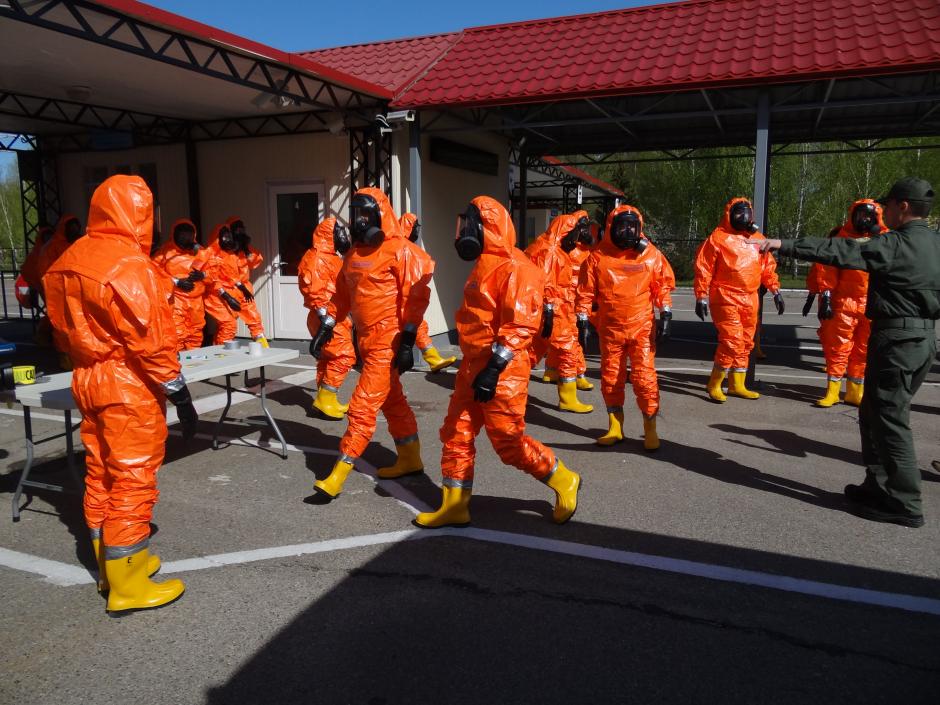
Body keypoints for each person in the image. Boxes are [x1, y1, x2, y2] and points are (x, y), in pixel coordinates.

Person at [43, 175, 198, 612]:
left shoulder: (67, 259)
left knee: (101, 473)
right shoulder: (131, 265)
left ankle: (108, 567)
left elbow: (59, 329)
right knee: (132, 478)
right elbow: (151, 342)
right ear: (140, 213)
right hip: (128, 383)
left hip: (86, 376)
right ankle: (128, 584)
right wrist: (179, 393)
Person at [754, 177, 939, 528]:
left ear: (902, 206)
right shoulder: (934, 242)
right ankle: (877, 485)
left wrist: (782, 244)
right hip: (922, 339)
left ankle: (905, 501)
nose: (882, 211)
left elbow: (841, 251)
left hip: (898, 339)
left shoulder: (897, 244)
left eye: (887, 205)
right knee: (872, 412)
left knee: (890, 419)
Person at [414, 196, 581, 528]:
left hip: (504, 369)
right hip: (474, 364)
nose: (464, 232)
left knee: (507, 442)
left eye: (469, 225)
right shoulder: (486, 264)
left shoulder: (517, 267)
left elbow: (520, 325)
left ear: (486, 227)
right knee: (456, 432)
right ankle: (455, 504)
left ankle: (562, 477)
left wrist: (494, 368)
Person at [309, 188, 433, 496]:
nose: (359, 221)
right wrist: (326, 327)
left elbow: (415, 298)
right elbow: (341, 297)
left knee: (362, 406)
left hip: (387, 342)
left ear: (379, 214)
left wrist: (408, 342)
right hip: (365, 339)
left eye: (365, 214)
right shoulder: (353, 256)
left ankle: (337, 475)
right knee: (393, 401)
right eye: (355, 215)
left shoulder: (400, 251)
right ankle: (410, 458)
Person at [576, 205, 674, 450]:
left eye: (632, 227)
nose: (628, 232)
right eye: (622, 227)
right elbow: (585, 292)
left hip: (642, 327)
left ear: (639, 228)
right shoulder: (598, 257)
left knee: (644, 378)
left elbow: (661, 286)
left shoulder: (650, 255)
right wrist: (582, 319)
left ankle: (650, 428)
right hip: (611, 329)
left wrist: (666, 313)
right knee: (611, 377)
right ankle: (615, 426)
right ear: (612, 228)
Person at [694, 197, 784, 402]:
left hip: (750, 297)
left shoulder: (757, 239)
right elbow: (704, 268)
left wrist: (776, 291)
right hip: (725, 296)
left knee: (745, 342)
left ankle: (737, 384)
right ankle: (714, 383)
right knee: (732, 341)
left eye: (746, 213)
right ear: (729, 215)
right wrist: (701, 296)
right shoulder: (718, 238)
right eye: (738, 213)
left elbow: (767, 267)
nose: (743, 217)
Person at [811, 199, 888, 408]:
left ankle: (855, 392)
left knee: (863, 350)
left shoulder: (885, 240)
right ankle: (833, 392)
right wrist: (826, 297)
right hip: (844, 302)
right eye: (860, 215)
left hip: (871, 304)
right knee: (838, 348)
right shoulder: (841, 239)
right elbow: (827, 269)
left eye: (869, 216)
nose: (864, 220)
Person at [526, 212, 593, 413]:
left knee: (531, 350)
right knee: (568, 351)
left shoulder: (548, 248)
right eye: (574, 233)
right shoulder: (551, 252)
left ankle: (508, 386)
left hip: (549, 309)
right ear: (565, 232)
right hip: (553, 310)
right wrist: (548, 312)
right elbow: (547, 284)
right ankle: (568, 400)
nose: (576, 238)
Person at [297, 216, 355, 419]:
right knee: (344, 356)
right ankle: (325, 399)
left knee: (327, 358)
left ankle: (324, 400)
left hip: (333, 316)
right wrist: (326, 321)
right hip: (327, 317)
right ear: (330, 235)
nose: (344, 236)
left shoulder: (330, 257)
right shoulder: (317, 258)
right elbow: (314, 290)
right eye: (340, 232)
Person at [399, 212, 458, 373]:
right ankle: (433, 359)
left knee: (418, 327)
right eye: (416, 227)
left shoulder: (397, 247)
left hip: (401, 301)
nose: (417, 231)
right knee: (415, 327)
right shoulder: (407, 250)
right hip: (404, 300)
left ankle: (433, 359)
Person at [152, 219, 211, 351]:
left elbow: (215, 273)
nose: (186, 238)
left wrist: (203, 275)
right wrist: (176, 281)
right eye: (182, 234)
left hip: (196, 301)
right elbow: (153, 273)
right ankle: (177, 361)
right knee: (177, 333)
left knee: (196, 334)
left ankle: (194, 361)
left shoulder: (201, 252)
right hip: (176, 300)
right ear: (175, 234)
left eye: (189, 234)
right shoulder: (165, 253)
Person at [199, 223, 247, 345]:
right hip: (213, 296)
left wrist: (241, 287)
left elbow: (230, 276)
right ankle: (223, 352)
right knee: (229, 324)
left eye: (229, 236)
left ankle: (217, 349)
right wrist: (227, 297)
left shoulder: (228, 255)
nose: (228, 240)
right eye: (225, 237)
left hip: (223, 294)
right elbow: (210, 279)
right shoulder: (208, 254)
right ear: (217, 238)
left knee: (225, 325)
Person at [227, 217, 269, 347]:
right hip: (228, 289)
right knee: (227, 324)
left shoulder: (245, 248)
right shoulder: (224, 249)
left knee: (254, 320)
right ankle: (220, 352)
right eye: (237, 229)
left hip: (244, 288)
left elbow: (255, 261)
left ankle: (262, 348)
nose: (240, 232)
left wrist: (246, 250)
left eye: (242, 229)